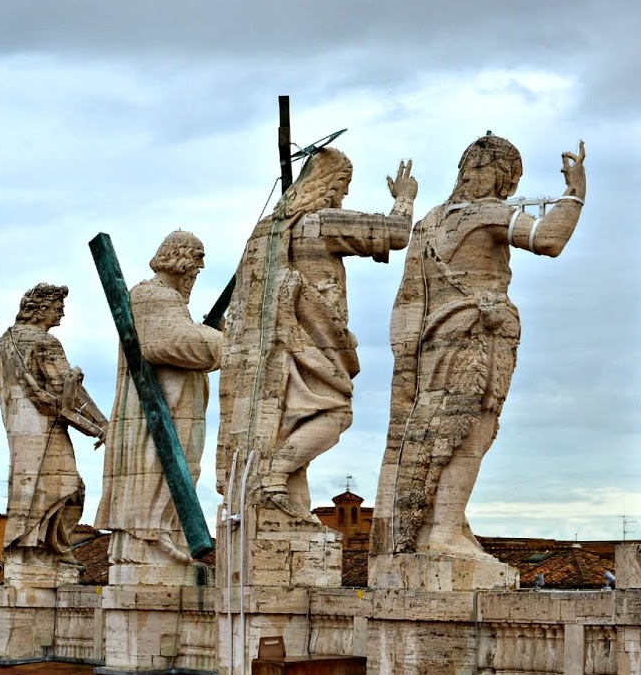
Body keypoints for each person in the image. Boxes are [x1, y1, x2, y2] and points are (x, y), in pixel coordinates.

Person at [370, 135, 585, 582]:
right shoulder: (489, 214)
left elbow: (408, 301)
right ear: (504, 175)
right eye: (512, 178)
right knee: (473, 430)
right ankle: (444, 530)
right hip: (477, 338)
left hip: (432, 344)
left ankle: (444, 521)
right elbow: (549, 239)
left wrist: (406, 361)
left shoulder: (428, 224)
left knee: (437, 432)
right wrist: (575, 192)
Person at [216, 148, 415, 521]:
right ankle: (272, 475)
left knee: (290, 423)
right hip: (310, 342)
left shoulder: (264, 233)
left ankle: (288, 506)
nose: (344, 194)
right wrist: (405, 197)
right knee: (337, 413)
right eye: (343, 184)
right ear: (327, 183)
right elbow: (396, 233)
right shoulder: (319, 223)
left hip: (272, 348)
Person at [95, 231, 222, 576]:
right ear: (180, 260)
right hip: (158, 413)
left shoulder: (169, 301)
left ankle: (164, 536)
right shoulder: (152, 296)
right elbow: (168, 343)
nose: (197, 272)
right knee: (155, 471)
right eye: (195, 264)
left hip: (178, 408)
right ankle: (148, 541)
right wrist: (229, 343)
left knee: (182, 471)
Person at [0, 284, 105, 583]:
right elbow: (67, 393)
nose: (62, 313)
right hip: (45, 428)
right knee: (68, 487)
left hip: (17, 429)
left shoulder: (5, 342)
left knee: (31, 487)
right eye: (58, 307)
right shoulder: (45, 342)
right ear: (41, 309)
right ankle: (50, 550)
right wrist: (103, 424)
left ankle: (34, 550)